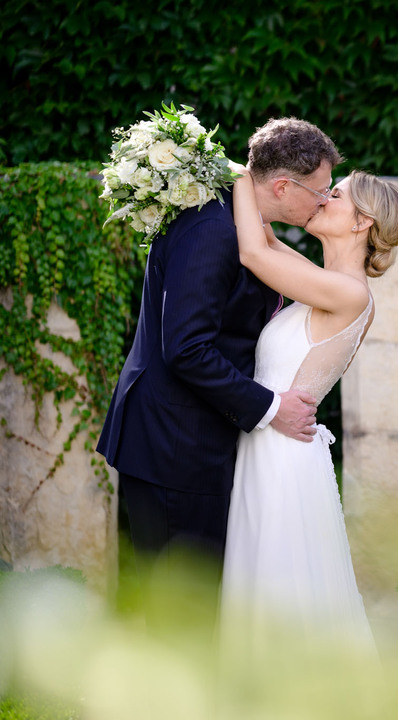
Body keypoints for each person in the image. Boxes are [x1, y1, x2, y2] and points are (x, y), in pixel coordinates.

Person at [96, 118, 342, 582]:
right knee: (182, 613)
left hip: (196, 441)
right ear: (285, 187)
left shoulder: (240, 222)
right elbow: (187, 348)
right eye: (322, 190)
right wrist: (272, 408)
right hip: (176, 446)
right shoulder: (213, 228)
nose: (326, 200)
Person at [219, 164, 398, 653]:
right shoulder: (321, 280)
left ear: (362, 222)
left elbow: (252, 251)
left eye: (337, 193)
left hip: (282, 458)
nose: (323, 195)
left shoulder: (348, 293)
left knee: (281, 595)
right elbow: (258, 229)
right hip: (267, 445)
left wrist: (239, 170)